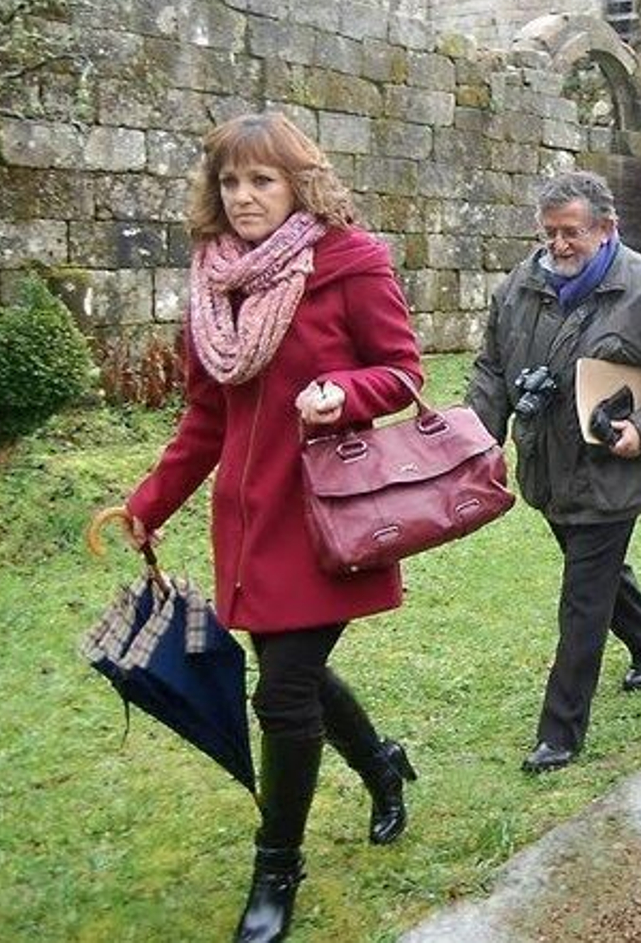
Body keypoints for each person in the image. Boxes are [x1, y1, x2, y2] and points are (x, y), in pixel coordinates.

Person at [122, 113, 423, 943]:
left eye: (263, 180)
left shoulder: (348, 263)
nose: (245, 197)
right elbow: (206, 417)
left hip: (327, 519)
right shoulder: (214, 282)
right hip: (247, 527)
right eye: (230, 181)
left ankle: (276, 864)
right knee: (294, 674)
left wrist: (344, 395)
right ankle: (382, 763)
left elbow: (402, 372)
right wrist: (150, 502)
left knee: (283, 692)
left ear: (299, 183)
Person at [467, 170, 641, 774]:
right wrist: (478, 439)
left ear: (607, 230)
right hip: (547, 467)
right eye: (549, 233)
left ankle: (561, 732)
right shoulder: (520, 287)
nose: (558, 246)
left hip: (612, 471)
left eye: (571, 233)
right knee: (595, 572)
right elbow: (492, 368)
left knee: (582, 599)